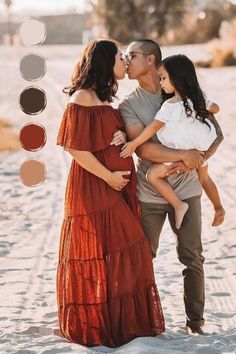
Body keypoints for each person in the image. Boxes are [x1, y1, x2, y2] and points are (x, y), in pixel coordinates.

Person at [56, 39, 165, 348]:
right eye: (120, 57)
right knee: (127, 247)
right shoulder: (83, 96)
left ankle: (121, 325)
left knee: (122, 252)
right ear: (106, 62)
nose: (125, 62)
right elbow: (74, 147)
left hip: (114, 185)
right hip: (95, 187)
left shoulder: (103, 98)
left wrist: (116, 134)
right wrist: (108, 176)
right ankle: (107, 327)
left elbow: (100, 135)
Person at [119, 39, 224, 335]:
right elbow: (146, 151)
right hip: (151, 194)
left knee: (192, 257)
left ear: (150, 59)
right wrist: (184, 156)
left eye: (132, 55)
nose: (126, 61)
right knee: (144, 257)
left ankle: (195, 323)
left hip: (189, 190)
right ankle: (140, 321)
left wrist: (197, 159)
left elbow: (215, 134)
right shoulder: (129, 105)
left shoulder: (187, 93)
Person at [120, 54, 225, 230]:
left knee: (152, 175)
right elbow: (216, 108)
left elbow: (152, 128)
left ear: (176, 79)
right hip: (201, 151)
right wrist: (204, 107)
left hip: (182, 154)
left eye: (163, 78)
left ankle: (178, 204)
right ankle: (218, 207)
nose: (160, 82)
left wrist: (133, 144)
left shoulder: (169, 106)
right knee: (205, 179)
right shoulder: (199, 97)